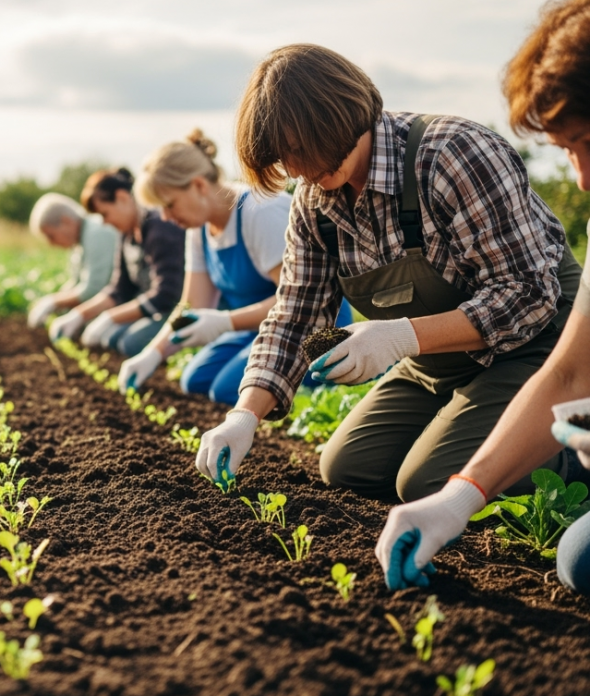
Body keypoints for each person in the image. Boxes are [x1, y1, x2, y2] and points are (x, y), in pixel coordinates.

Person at [194, 44, 582, 502]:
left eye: (297, 149)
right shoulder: (315, 202)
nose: (295, 169)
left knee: (427, 482)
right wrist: (245, 415)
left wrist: (400, 338)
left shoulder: (451, 154)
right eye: (283, 158)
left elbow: (527, 295)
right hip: (436, 365)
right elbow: (296, 315)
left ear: (334, 117)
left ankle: (574, 448)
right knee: (347, 468)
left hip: (535, 348)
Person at [377, 0, 590, 592]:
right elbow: (571, 377)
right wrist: (457, 500)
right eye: (567, 150)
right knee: (581, 560)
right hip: (458, 370)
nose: (581, 179)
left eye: (586, 141)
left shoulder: (449, 158)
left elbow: (525, 295)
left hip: (515, 343)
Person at [115, 130, 352, 403]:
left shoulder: (259, 212)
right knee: (196, 381)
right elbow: (192, 304)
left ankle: (333, 382)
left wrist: (225, 322)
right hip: (255, 329)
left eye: (169, 205)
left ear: (199, 186)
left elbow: (301, 303)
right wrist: (152, 353)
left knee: (226, 389)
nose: (166, 217)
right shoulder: (199, 229)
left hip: (307, 328)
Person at [47, 168, 186, 356]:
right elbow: (119, 288)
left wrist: (109, 317)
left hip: (176, 308)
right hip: (154, 309)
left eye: (105, 214)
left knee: (130, 343)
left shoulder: (159, 228)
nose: (104, 223)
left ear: (122, 197)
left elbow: (166, 295)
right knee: (110, 338)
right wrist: (79, 315)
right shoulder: (126, 234)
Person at [25, 192, 121, 328]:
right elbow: (76, 283)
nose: (51, 244)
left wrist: (54, 302)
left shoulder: (97, 233)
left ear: (66, 221)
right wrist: (55, 300)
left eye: (51, 236)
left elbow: (93, 289)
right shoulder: (80, 240)